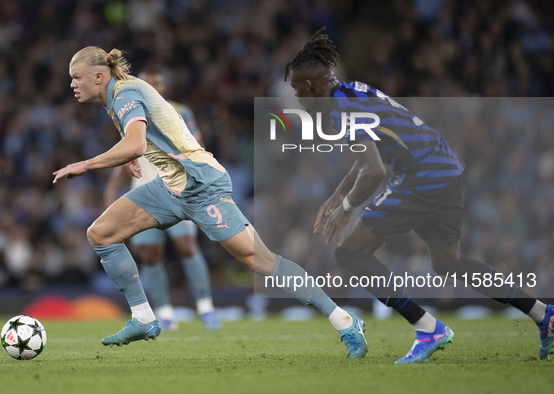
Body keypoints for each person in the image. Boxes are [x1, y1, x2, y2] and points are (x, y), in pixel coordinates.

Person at [53, 46, 367, 357]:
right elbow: (143, 139)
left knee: (260, 260)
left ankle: (344, 321)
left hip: (202, 185)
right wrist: (139, 153)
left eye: (76, 77)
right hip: (170, 187)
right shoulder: (116, 98)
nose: (71, 84)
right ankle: (144, 318)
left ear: (98, 76)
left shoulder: (123, 94)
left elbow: (135, 142)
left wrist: (86, 164)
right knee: (101, 234)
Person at [284, 27, 554, 363]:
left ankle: (428, 327)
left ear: (309, 86)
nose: (296, 98)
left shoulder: (342, 109)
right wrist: (336, 197)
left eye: (296, 91)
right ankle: (543, 313)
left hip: (421, 176)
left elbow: (375, 171)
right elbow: (366, 157)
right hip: (446, 169)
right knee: (449, 262)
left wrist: (347, 207)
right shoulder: (352, 92)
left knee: (350, 254)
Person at [104, 69, 220, 331]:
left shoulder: (180, 112)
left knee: (186, 245)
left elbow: (195, 147)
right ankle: (165, 313)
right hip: (143, 191)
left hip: (177, 189)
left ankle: (206, 308)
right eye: (147, 82)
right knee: (150, 255)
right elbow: (125, 151)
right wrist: (112, 188)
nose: (152, 86)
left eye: (156, 82)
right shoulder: (128, 111)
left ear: (164, 86)